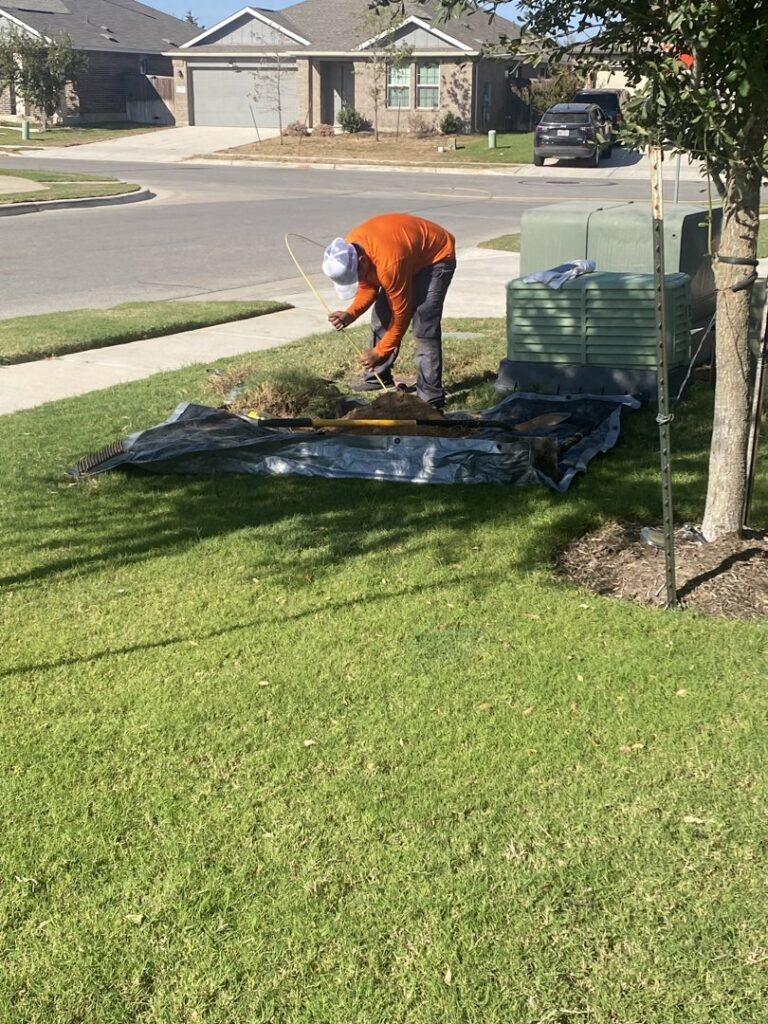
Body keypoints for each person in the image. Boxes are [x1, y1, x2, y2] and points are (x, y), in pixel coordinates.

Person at [321, 213, 456, 408]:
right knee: (381, 316)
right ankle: (377, 378)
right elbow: (368, 286)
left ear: (362, 261)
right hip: (405, 252)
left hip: (436, 256)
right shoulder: (349, 250)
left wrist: (379, 351)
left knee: (424, 324)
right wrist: (350, 313)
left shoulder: (388, 264)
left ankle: (430, 395)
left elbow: (402, 314)